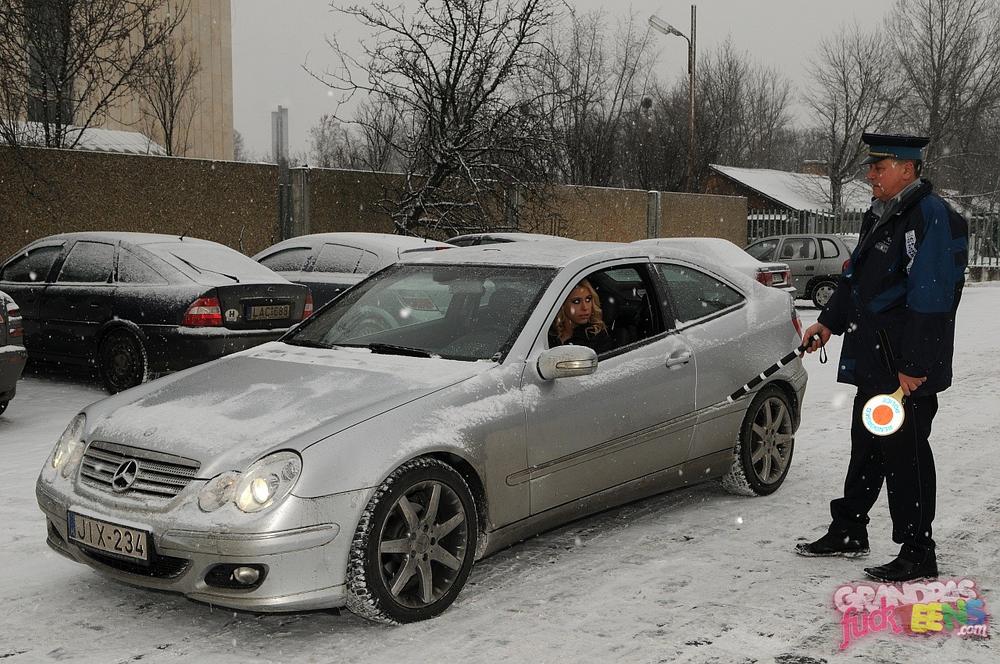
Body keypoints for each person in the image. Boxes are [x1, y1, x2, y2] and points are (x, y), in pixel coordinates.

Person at [795, 133, 968, 583]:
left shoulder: (930, 216)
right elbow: (856, 278)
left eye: (879, 167)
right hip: (876, 358)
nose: (870, 174)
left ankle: (918, 551)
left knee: (906, 455)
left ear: (908, 169)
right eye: (871, 167)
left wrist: (915, 365)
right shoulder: (883, 212)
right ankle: (850, 528)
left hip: (904, 367)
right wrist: (828, 322)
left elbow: (932, 295)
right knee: (868, 445)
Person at [549, 279, 614, 354]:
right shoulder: (547, 332)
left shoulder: (597, 337)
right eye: (576, 301)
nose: (585, 307)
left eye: (588, 299)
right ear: (562, 304)